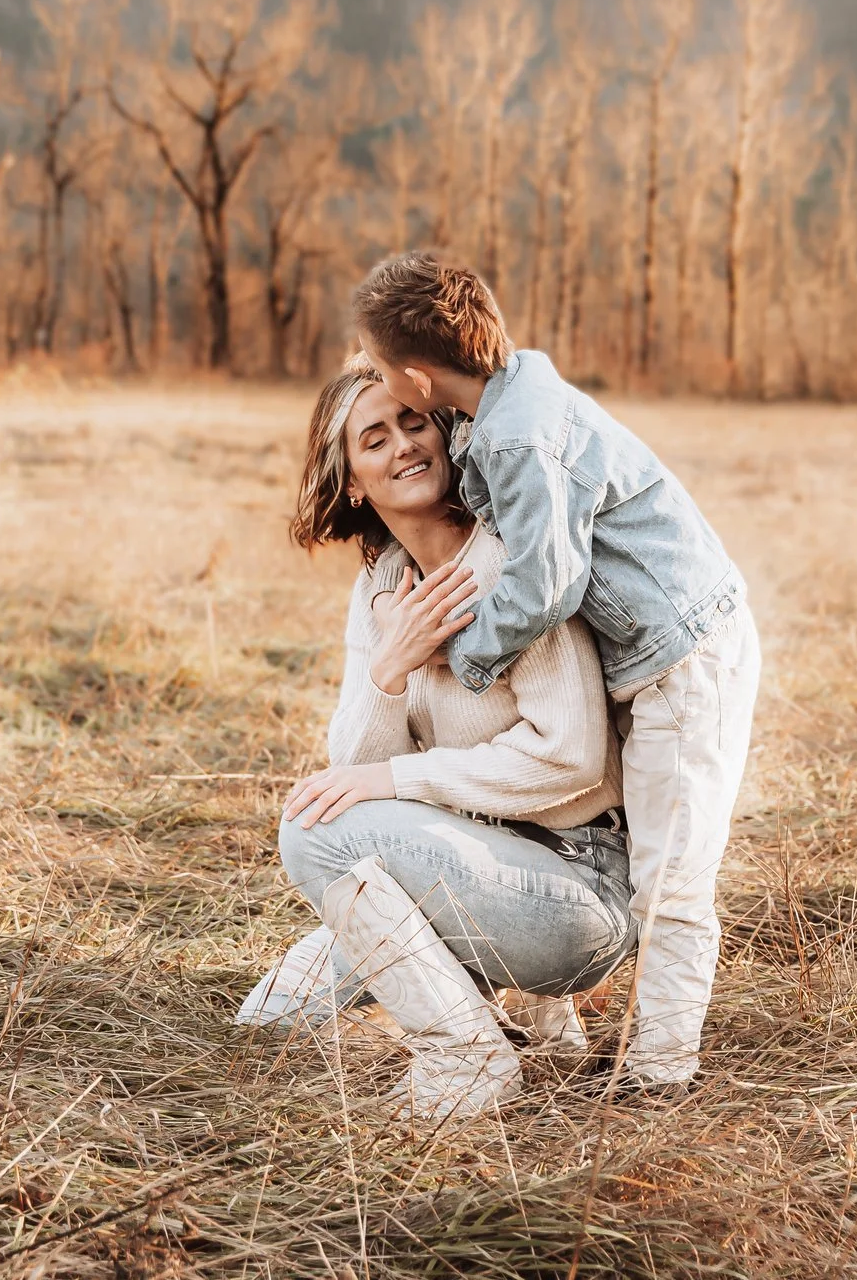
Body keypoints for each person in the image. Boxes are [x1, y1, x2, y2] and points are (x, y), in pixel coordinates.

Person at [350, 252, 758, 1093]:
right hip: (648, 658)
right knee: (644, 856)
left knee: (672, 876)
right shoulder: (498, 407)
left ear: (418, 379)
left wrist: (464, 652)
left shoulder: (522, 435)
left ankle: (661, 1072)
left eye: (383, 372)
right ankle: (578, 1034)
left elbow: (547, 581)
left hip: (687, 659)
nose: (381, 385)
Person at [238, 359, 637, 1121]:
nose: (403, 446)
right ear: (354, 482)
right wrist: (389, 665)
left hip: (579, 892)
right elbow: (354, 779)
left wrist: (404, 779)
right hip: (469, 870)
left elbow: (574, 752)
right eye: (375, 438)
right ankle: (532, 1032)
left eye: (413, 422)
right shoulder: (381, 586)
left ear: (444, 434)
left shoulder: (508, 561)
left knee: (308, 831)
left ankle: (468, 1055)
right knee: (270, 1021)